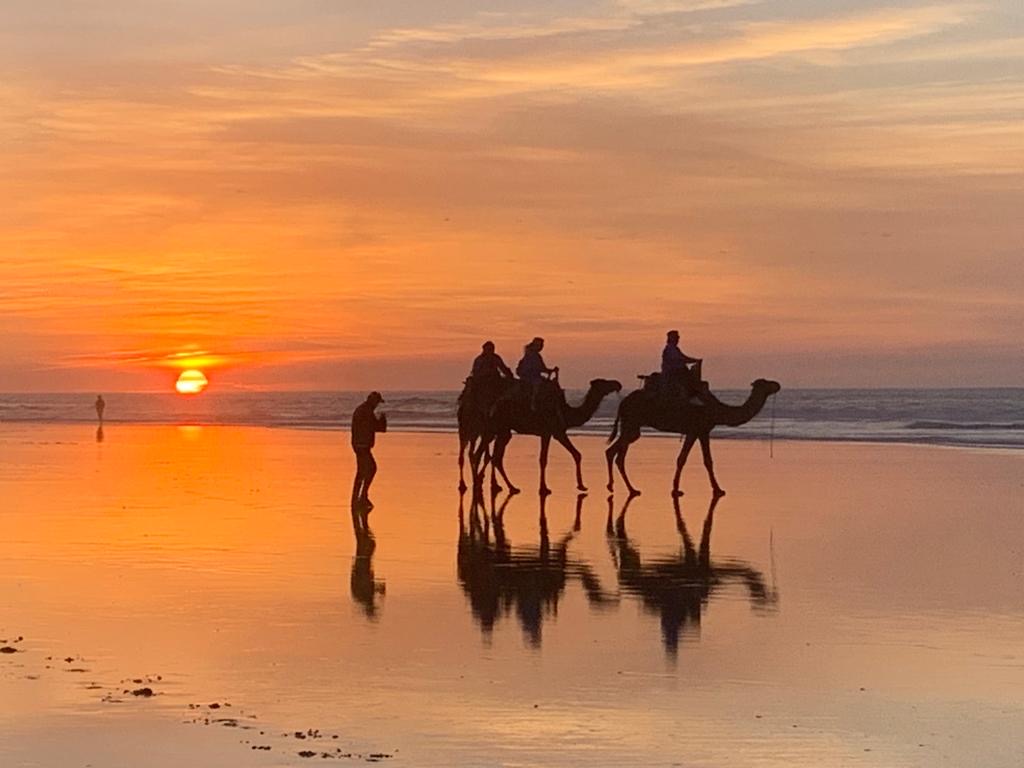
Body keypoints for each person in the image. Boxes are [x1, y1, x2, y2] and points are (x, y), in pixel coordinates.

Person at [351, 392, 387, 509]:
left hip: (359, 444)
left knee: (363, 471)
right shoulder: (366, 412)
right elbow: (377, 428)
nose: (377, 405)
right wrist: (382, 420)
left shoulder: (363, 410)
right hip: (362, 445)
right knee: (370, 469)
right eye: (377, 402)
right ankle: (361, 497)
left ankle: (358, 497)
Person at [516, 337, 558, 411]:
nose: (541, 347)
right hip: (529, 377)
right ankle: (533, 402)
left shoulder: (536, 355)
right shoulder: (531, 355)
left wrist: (551, 370)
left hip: (535, 376)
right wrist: (549, 371)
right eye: (540, 345)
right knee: (537, 384)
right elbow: (538, 368)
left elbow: (542, 368)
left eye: (542, 345)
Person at [661, 330, 703, 398]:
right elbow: (682, 358)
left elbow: (683, 358)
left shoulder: (675, 349)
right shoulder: (670, 349)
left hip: (676, 371)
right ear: (671, 338)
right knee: (687, 376)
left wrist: (694, 360)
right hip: (672, 372)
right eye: (676, 337)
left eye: (678, 337)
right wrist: (695, 360)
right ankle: (691, 396)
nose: (678, 339)